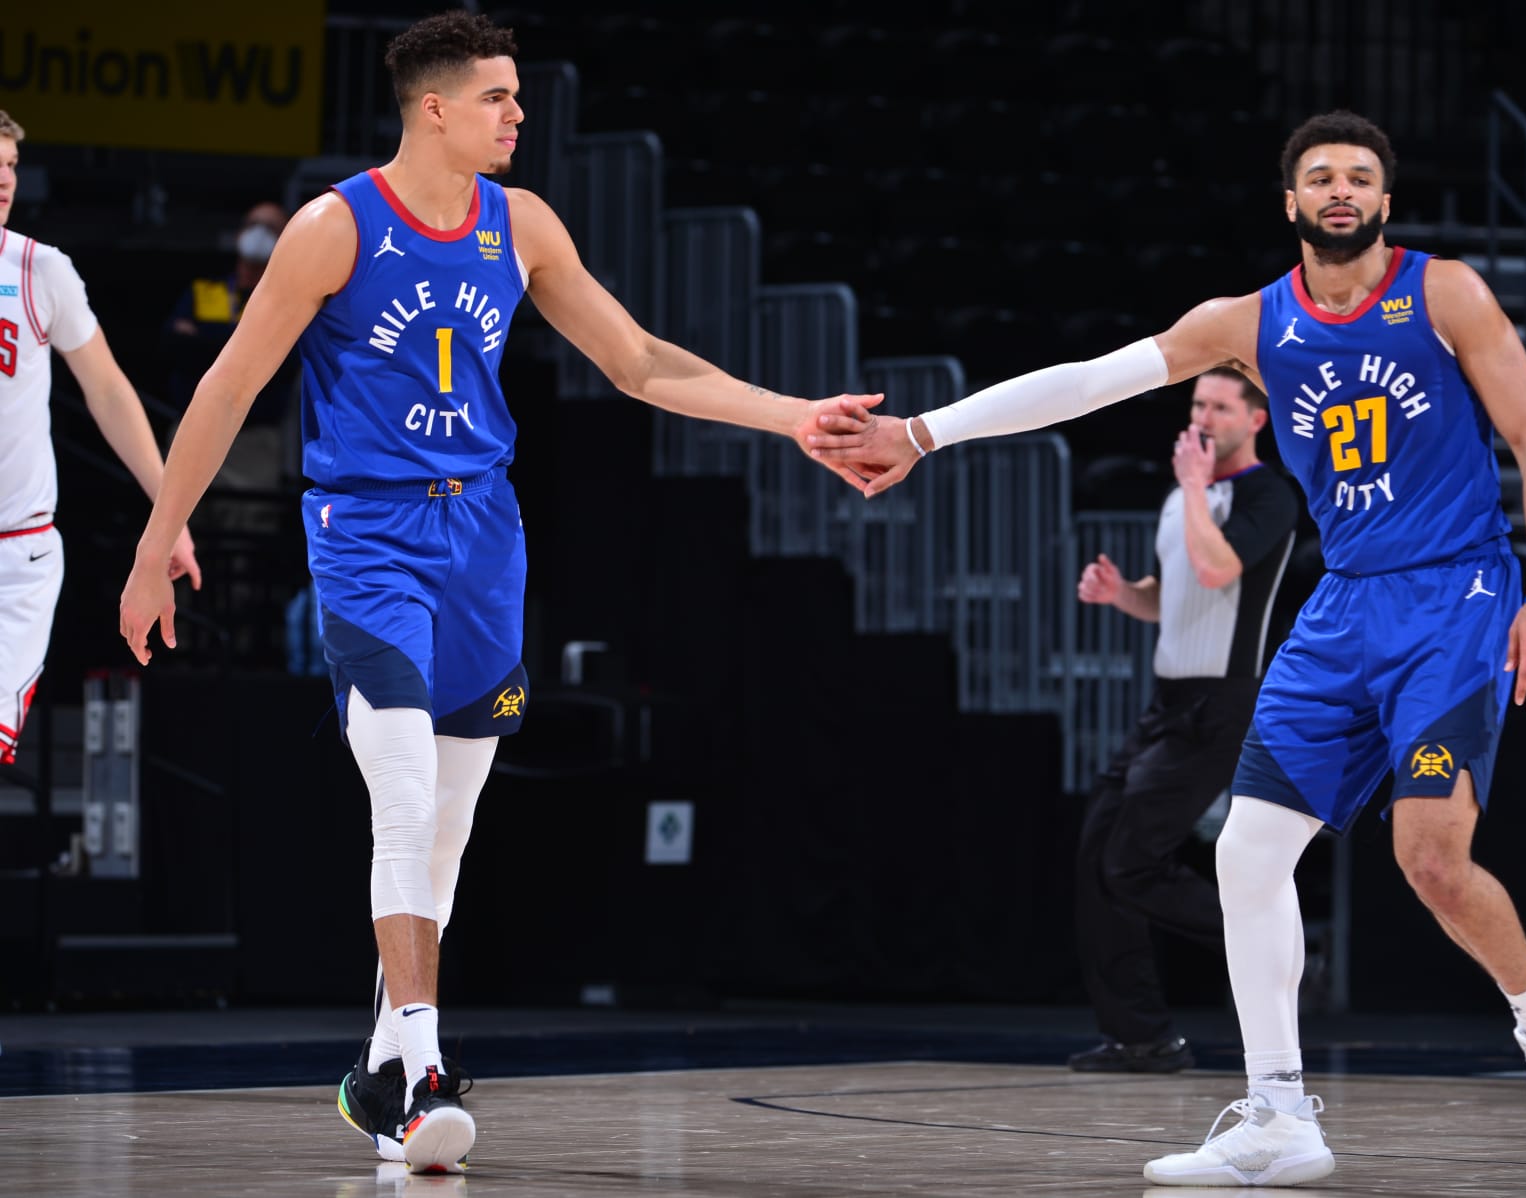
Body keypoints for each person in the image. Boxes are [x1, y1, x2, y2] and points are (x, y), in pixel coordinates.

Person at [115, 12, 878, 1175]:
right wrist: (156, 537)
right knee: (406, 783)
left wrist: (792, 418)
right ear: (434, 106)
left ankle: (380, 1084)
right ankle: (421, 1062)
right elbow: (225, 390)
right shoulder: (336, 229)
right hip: (366, 529)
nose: (519, 114)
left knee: (453, 820)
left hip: (483, 530)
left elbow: (638, 361)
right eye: (498, 97)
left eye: (517, 96)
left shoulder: (520, 225)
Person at [818, 110, 1526, 1186]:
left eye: (1361, 176)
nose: (1342, 190)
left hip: (1455, 592)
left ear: (1386, 200)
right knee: (1246, 857)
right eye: (1322, 176)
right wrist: (921, 432)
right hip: (1344, 605)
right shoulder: (1247, 321)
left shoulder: (1442, 291)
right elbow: (1087, 379)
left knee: (1429, 859)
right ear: (1292, 203)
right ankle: (1280, 1114)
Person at [1070, 367, 1298, 1075]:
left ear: (1255, 419)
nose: (1204, 416)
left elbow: (1216, 571)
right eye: (1198, 402)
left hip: (1222, 704)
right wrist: (1122, 595)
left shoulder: (1268, 495)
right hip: (1166, 702)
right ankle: (1141, 1035)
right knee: (1096, 860)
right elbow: (1171, 597)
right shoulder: (1184, 497)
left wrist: (1197, 488)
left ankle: (1284, 948)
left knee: (1132, 863)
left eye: (1221, 406)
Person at [0, 109, 201, 770]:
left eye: (11, 167)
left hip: (16, 555)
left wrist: (168, 511)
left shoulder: (39, 271)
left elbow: (110, 391)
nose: (5, 181)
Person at [160, 200, 296, 492]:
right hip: (192, 431)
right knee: (181, 531)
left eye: (271, 228)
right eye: (252, 225)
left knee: (246, 528)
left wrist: (202, 339)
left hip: (253, 443)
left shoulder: (291, 302)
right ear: (238, 235)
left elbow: (284, 364)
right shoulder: (204, 291)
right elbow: (174, 347)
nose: (259, 233)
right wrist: (244, 346)